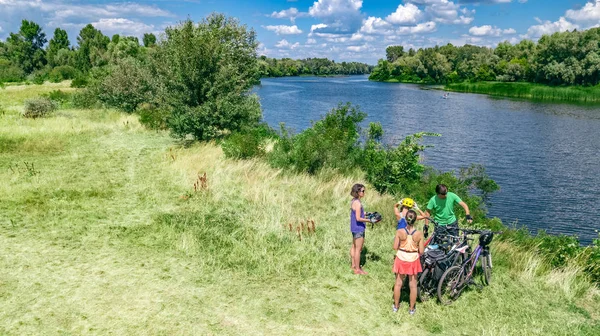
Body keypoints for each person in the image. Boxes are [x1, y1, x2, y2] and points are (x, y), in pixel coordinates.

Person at [392, 210, 424, 314]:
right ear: (415, 220)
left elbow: (395, 247)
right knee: (413, 285)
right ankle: (411, 308)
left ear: (405, 219)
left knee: (398, 283)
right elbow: (422, 251)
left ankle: (396, 306)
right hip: (413, 259)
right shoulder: (419, 234)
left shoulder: (400, 231)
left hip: (401, 257)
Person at [350, 183, 374, 275]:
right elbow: (358, 218)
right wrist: (370, 220)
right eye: (363, 191)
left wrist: (367, 213)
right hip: (359, 228)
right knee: (358, 249)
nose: (364, 193)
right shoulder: (358, 203)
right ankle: (357, 269)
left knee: (354, 246)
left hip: (353, 227)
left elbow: (359, 213)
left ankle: (353, 265)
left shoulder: (354, 201)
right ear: (358, 192)